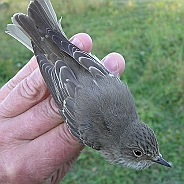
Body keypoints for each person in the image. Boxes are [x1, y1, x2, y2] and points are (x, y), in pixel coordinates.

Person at [0, 33, 125, 183]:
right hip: (66, 83)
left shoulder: (126, 107)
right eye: (137, 153)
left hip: (80, 64)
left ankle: (47, 38)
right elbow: (66, 102)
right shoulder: (98, 139)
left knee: (74, 45)